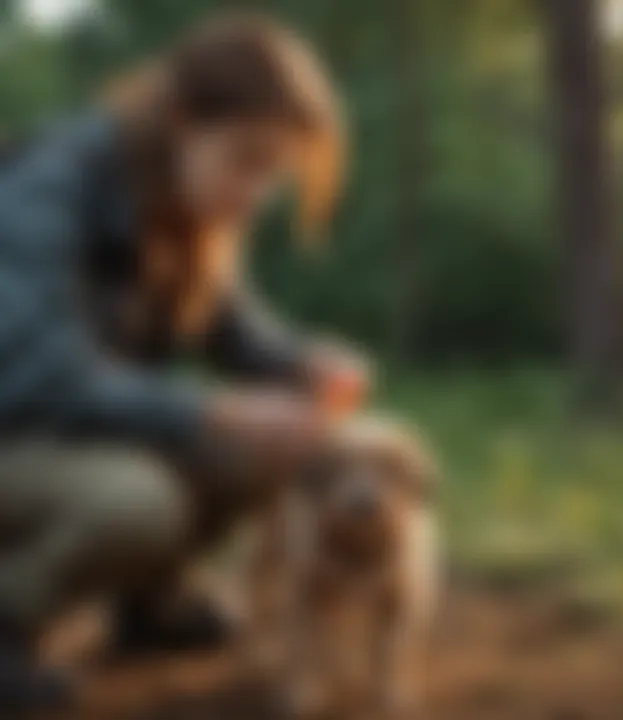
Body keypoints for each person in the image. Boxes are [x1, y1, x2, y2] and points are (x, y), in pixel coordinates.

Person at [0, 12, 367, 712]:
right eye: (246, 158)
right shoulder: (49, 186)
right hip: (15, 419)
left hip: (65, 428)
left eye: (275, 172)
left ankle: (149, 603)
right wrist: (212, 408)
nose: (255, 192)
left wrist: (304, 367)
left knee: (263, 452)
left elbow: (234, 332)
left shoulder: (184, 202)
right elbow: (32, 369)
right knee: (137, 505)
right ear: (179, 118)